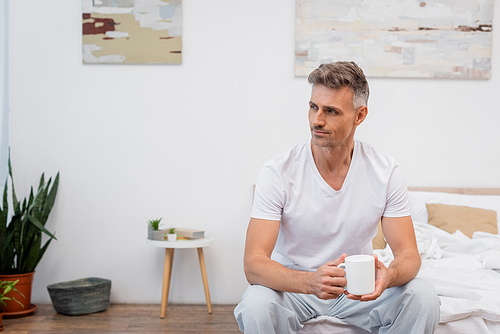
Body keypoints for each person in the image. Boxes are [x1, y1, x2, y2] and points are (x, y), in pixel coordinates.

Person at [234, 61, 440, 333]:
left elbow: (409, 254)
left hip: (358, 291)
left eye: (331, 111)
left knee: (422, 295)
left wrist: (389, 276)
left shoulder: (385, 170)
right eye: (313, 107)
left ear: (359, 115)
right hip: (295, 290)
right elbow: (253, 265)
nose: (317, 120)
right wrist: (310, 282)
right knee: (255, 304)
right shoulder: (278, 172)